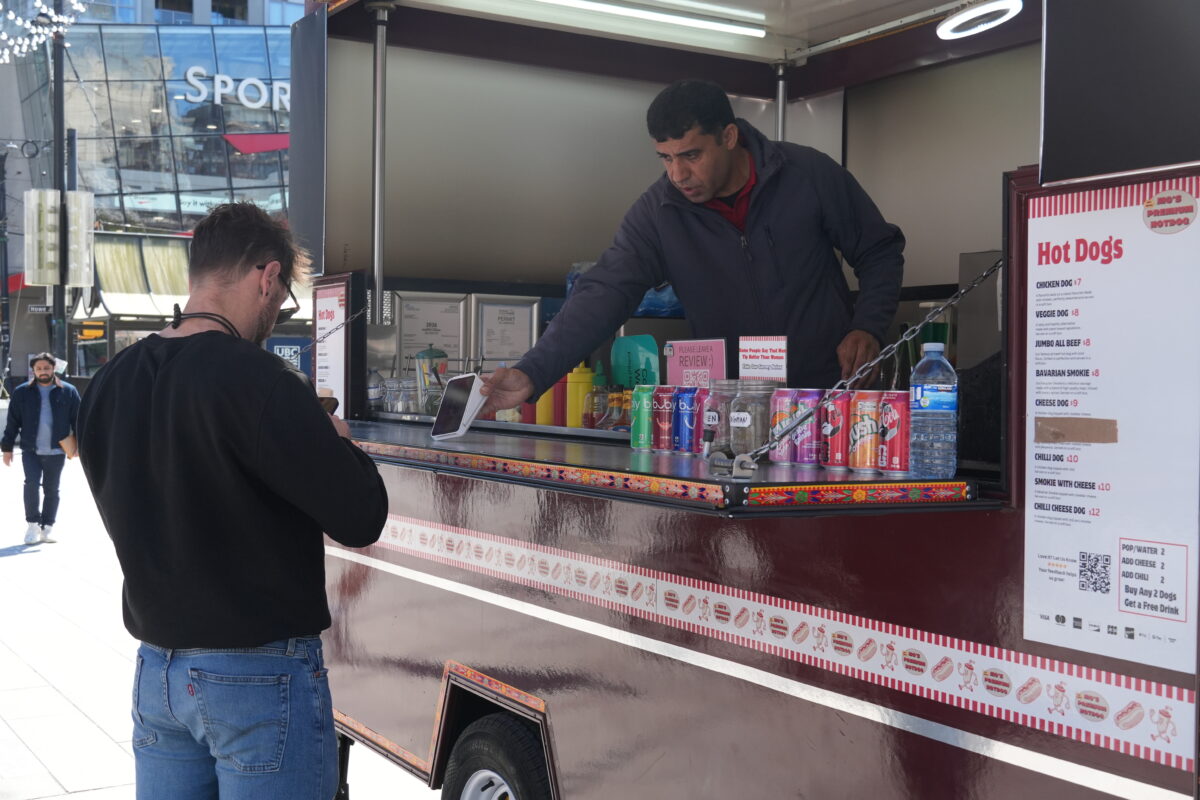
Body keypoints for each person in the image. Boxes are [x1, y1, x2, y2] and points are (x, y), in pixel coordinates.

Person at [77, 202, 389, 800]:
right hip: (258, 675)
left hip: (157, 674)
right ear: (265, 277)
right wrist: (338, 443)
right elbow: (360, 516)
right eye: (280, 297)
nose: (275, 313)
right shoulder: (262, 381)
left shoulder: (109, 382)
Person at [482, 79, 904, 413]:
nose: (678, 174)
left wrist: (867, 326)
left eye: (691, 155)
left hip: (825, 400)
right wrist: (533, 372)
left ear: (730, 136)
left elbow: (879, 250)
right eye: (665, 158)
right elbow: (605, 291)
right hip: (730, 411)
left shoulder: (806, 174)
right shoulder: (659, 212)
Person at [2, 352, 80, 545]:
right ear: (33, 370)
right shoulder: (21, 392)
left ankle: (47, 527)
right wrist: (7, 448)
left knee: (52, 490)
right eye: (38, 368)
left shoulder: (68, 391)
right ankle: (32, 525)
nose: (43, 371)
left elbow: (78, 420)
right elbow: (12, 422)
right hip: (31, 450)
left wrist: (79, 444)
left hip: (57, 451)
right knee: (31, 485)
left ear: (53, 368)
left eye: (46, 368)